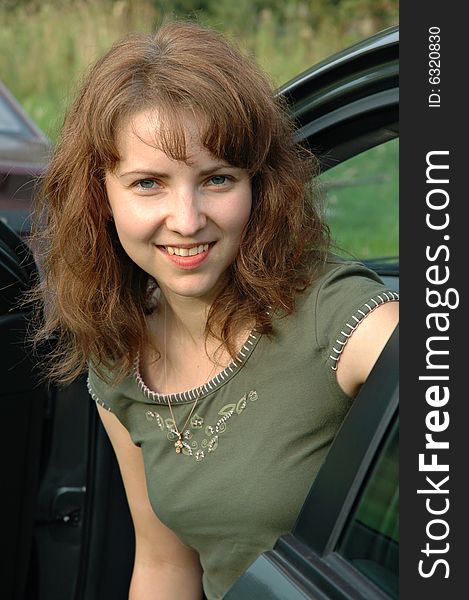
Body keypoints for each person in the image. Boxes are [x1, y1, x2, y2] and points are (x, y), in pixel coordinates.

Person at [32, 20, 399, 600]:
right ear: (100, 198)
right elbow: (164, 567)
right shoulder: (118, 358)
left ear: (260, 186)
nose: (187, 218)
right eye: (149, 183)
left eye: (218, 178)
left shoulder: (338, 316)